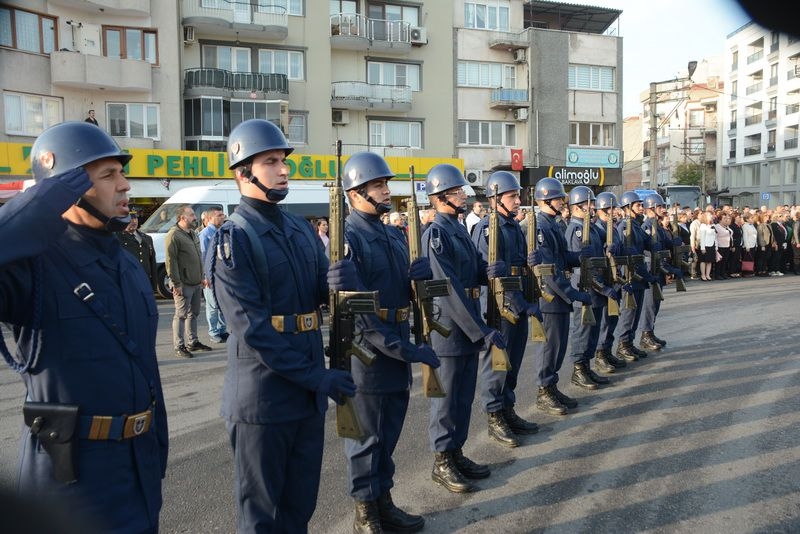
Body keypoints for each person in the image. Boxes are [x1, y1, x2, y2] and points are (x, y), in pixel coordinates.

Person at [0, 121, 168, 533]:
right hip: (69, 481)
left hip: (136, 471)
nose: (125, 185)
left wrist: (156, 451)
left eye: (121, 173)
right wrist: (46, 196)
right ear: (67, 187)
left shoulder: (127, 262)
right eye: (109, 175)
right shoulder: (32, 267)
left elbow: (145, 367)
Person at [208, 119, 357, 533]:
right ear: (243, 173)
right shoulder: (233, 238)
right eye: (271, 162)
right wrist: (317, 377)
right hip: (264, 397)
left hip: (306, 396)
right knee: (263, 517)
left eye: (284, 161)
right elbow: (252, 330)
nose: (284, 169)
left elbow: (316, 295)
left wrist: (337, 284)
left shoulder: (297, 228)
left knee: (299, 506)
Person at [340, 151, 441, 533]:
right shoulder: (349, 237)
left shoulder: (391, 233)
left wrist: (420, 275)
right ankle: (365, 512)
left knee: (390, 432)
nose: (386, 190)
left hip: (397, 342)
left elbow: (406, 290)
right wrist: (406, 350)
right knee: (367, 438)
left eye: (385, 183)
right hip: (371, 354)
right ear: (355, 193)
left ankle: (383, 501)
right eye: (378, 185)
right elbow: (361, 314)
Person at [421, 163, 506, 494]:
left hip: (467, 323)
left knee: (462, 398)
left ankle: (456, 452)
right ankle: (442, 460)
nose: (464, 197)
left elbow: (469, 272)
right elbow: (449, 287)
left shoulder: (457, 229)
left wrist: (488, 269)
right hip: (449, 328)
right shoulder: (437, 234)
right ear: (441, 197)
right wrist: (480, 330)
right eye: (457, 192)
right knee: (445, 401)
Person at [471, 171, 542, 449]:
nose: (518, 201)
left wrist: (529, 262)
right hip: (500, 306)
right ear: (495, 199)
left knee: (512, 362)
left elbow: (516, 267)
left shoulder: (513, 226)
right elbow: (493, 274)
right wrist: (519, 303)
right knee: (497, 366)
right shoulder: (489, 228)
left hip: (519, 300)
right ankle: (494, 414)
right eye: (512, 196)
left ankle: (508, 409)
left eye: (518, 196)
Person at [528, 178, 591, 415]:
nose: (562, 202)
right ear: (547, 200)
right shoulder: (540, 227)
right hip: (550, 298)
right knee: (549, 347)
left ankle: (551, 386)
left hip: (558, 298)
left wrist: (579, 256)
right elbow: (549, 269)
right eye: (558, 198)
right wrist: (571, 293)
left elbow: (563, 257)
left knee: (558, 346)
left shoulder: (553, 224)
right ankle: (544, 390)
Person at [564, 186, 616, 390]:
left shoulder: (592, 227)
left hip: (597, 287)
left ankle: (587, 366)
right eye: (589, 203)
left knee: (593, 332)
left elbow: (604, 245)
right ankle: (578, 370)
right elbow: (584, 266)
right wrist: (603, 288)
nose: (593, 207)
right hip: (585, 287)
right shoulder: (575, 230)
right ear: (578, 206)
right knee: (583, 331)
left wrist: (611, 246)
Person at [613, 191, 656, 363]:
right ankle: (623, 345)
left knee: (636, 313)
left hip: (639, 273)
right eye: (637, 205)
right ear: (628, 207)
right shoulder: (624, 226)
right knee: (628, 313)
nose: (641, 207)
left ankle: (629, 343)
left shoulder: (636, 226)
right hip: (629, 274)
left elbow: (648, 243)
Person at [166, 205, 213, 358]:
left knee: (194, 314)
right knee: (180, 315)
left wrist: (202, 277)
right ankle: (179, 345)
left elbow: (199, 258)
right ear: (182, 218)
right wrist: (176, 283)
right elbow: (170, 261)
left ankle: (193, 342)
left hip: (196, 282)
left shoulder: (193, 233)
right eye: (192, 215)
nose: (195, 217)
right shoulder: (173, 235)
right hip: (183, 283)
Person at [639, 193, 683, 351]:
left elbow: (664, 245)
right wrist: (667, 269)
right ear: (651, 209)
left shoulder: (657, 226)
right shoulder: (648, 226)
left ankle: (650, 332)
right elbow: (650, 253)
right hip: (653, 269)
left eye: (663, 207)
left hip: (659, 269)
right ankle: (645, 335)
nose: (663, 210)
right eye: (660, 207)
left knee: (655, 304)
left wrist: (673, 243)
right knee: (650, 305)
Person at [593, 192, 627, 373]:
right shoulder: (598, 229)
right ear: (603, 210)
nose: (616, 212)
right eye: (612, 209)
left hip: (615, 278)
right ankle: (600, 355)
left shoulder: (612, 228)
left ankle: (607, 350)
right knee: (605, 321)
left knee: (613, 318)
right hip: (604, 280)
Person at [199, 207, 228, 343]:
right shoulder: (205, 234)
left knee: (222, 304)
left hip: (222, 275)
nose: (223, 217)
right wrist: (205, 276)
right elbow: (203, 256)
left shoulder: (222, 231)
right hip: (211, 275)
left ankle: (222, 330)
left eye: (223, 215)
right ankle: (213, 332)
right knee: (212, 306)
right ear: (210, 218)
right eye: (219, 215)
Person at [116, 208, 158, 290]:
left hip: (145, 282)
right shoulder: (117, 237)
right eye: (130, 219)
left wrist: (154, 284)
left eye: (135, 218)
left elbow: (152, 262)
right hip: (128, 283)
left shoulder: (147, 238)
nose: (134, 221)